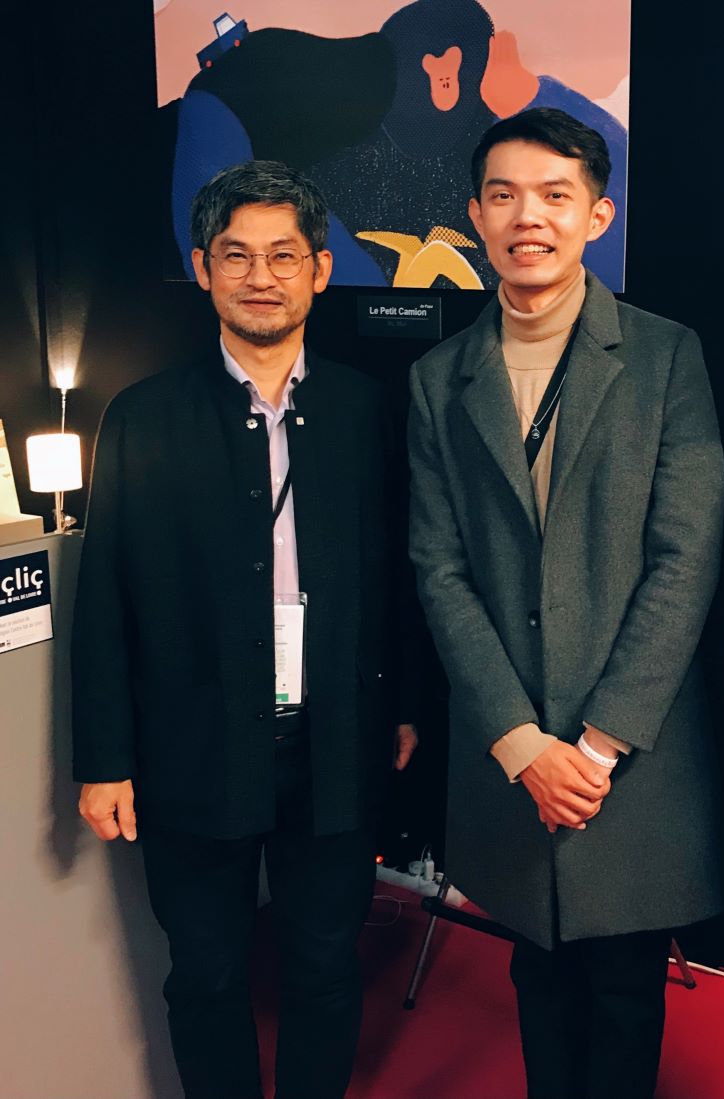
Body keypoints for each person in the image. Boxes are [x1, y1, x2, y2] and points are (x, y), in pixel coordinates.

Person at [72, 160, 417, 1099]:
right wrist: (103, 759)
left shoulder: (362, 409)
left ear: (318, 269)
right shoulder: (141, 417)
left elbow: (401, 574)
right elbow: (102, 601)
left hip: (333, 742)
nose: (260, 276)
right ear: (201, 269)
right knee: (209, 974)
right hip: (189, 745)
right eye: (236, 256)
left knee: (323, 966)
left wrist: (405, 706)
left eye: (283, 255)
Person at [406, 107, 724, 1099]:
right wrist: (517, 741)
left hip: (623, 758)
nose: (527, 217)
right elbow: (439, 565)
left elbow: (684, 558)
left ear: (598, 213)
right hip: (509, 756)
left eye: (554, 195)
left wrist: (590, 750)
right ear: (473, 215)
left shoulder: (666, 356)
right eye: (503, 195)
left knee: (625, 991)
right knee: (536, 977)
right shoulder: (436, 377)